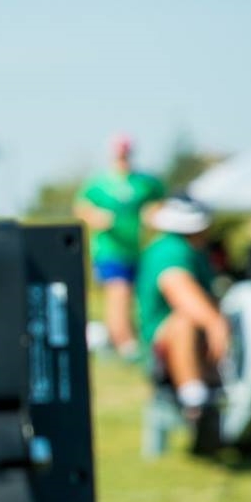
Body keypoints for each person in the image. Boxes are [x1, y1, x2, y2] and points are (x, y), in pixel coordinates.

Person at [136, 196, 229, 450]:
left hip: (198, 344)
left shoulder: (194, 251)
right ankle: (194, 399)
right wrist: (216, 324)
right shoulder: (170, 249)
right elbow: (179, 289)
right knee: (185, 320)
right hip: (165, 345)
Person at [74, 134, 165, 361]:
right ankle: (125, 344)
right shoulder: (99, 183)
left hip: (137, 249)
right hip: (109, 250)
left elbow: (160, 202)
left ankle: (132, 339)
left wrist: (153, 215)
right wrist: (96, 217)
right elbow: (81, 207)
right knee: (118, 294)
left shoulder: (144, 182)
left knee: (138, 297)